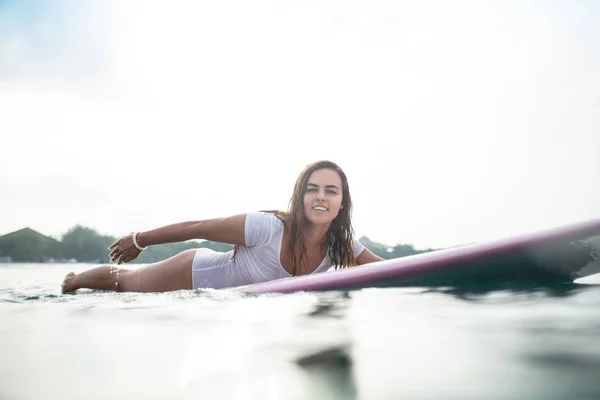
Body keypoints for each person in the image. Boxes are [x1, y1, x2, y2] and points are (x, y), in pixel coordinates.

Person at [61, 160, 383, 293]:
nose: (320, 197)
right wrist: (139, 239)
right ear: (300, 196)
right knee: (124, 283)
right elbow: (198, 226)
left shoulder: (342, 244)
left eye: (331, 191)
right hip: (194, 272)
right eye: (312, 188)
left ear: (342, 203)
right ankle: (73, 281)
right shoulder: (267, 227)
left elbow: (395, 269)